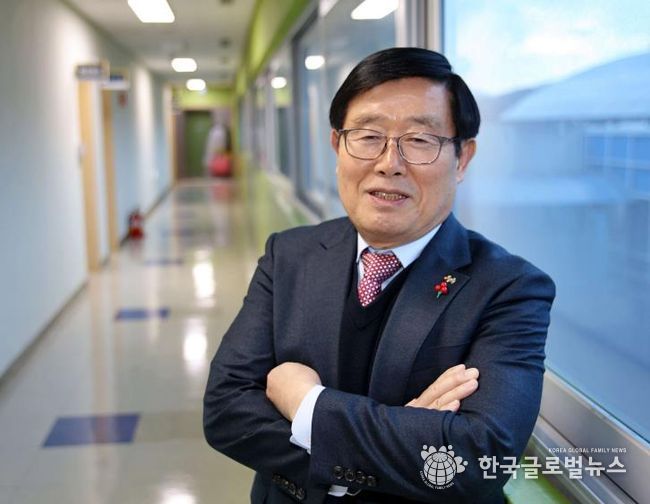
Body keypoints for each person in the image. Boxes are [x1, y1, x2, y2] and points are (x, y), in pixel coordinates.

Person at [203, 47, 555, 504]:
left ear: (463, 158)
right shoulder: (288, 255)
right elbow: (226, 410)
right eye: (368, 136)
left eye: (420, 140)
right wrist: (398, 441)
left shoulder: (509, 288)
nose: (389, 162)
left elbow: (476, 458)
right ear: (337, 146)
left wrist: (307, 405)